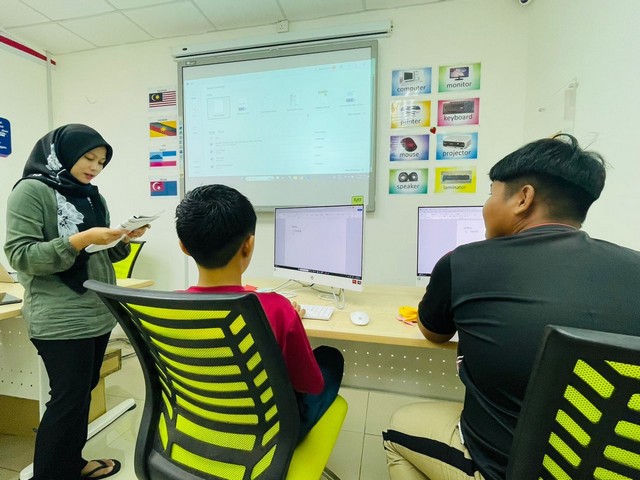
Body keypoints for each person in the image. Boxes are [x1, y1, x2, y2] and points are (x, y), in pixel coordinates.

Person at [383, 134, 640, 480]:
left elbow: (433, 332)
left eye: (491, 193)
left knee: (398, 427)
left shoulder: (464, 262)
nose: (486, 206)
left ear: (523, 198)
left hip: (504, 468)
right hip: (612, 468)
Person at [4, 124, 149, 480]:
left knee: (81, 396)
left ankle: (72, 464)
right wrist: (80, 240)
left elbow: (101, 255)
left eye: (101, 162)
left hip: (97, 313)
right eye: (89, 158)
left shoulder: (91, 195)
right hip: (60, 317)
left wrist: (122, 239)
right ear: (63, 153)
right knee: (67, 401)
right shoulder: (31, 191)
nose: (95, 167)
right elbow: (20, 255)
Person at [175, 183, 344, 441]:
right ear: (248, 245)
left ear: (183, 246)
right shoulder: (278, 308)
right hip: (268, 435)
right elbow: (309, 385)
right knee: (330, 358)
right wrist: (290, 320)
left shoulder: (166, 306)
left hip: (199, 425)